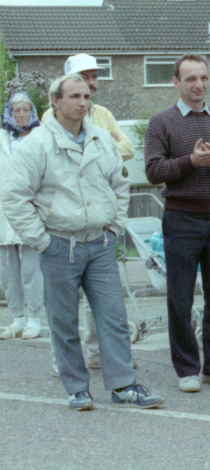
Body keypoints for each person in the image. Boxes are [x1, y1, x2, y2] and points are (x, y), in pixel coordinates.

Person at [3, 74, 163, 410]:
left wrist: (115, 227)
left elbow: (119, 187)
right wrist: (41, 241)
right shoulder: (36, 145)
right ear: (56, 102)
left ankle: (123, 386)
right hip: (59, 244)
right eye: (75, 96)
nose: (83, 103)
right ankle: (76, 387)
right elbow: (16, 197)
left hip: (101, 244)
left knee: (114, 317)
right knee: (63, 321)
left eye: (87, 96)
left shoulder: (102, 139)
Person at [144, 54, 210, 392]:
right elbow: (153, 172)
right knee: (180, 297)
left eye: (203, 77)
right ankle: (188, 368)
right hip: (181, 217)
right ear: (176, 82)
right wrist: (190, 161)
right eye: (190, 78)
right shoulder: (161, 122)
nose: (198, 84)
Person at [42, 53, 135, 368]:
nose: (92, 84)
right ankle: (63, 360)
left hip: (100, 219)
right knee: (65, 303)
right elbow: (53, 160)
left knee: (105, 300)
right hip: (65, 224)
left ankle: (98, 354)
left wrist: (116, 225)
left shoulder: (104, 114)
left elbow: (126, 149)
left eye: (95, 77)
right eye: (85, 77)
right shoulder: (49, 116)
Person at [0, 92, 43, 340]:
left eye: (26, 110)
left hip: (30, 209)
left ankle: (34, 318)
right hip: (4, 211)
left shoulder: (40, 136)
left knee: (31, 269)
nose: (22, 114)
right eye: (17, 111)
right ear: (10, 113)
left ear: (32, 112)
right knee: (7, 270)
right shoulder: (2, 139)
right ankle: (17, 318)